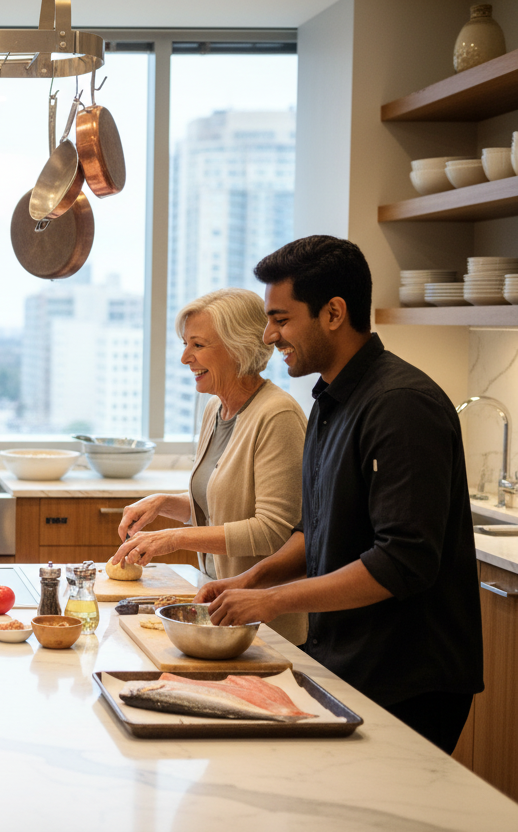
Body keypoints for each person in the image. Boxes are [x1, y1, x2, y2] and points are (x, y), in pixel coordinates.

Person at [198, 235, 484, 754]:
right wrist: (249, 579)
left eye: (281, 319)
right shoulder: (331, 401)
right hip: (347, 658)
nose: (269, 335)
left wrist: (268, 601)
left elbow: (402, 561)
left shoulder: (400, 405)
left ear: (333, 313)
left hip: (408, 677)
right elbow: (318, 529)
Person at [111, 288, 308, 644]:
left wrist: (174, 538)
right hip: (222, 610)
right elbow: (223, 507)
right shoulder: (216, 410)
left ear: (239, 347)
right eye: (186, 344)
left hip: (265, 624)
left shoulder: (277, 415)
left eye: (198, 345)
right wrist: (164, 503)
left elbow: (274, 531)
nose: (186, 357)